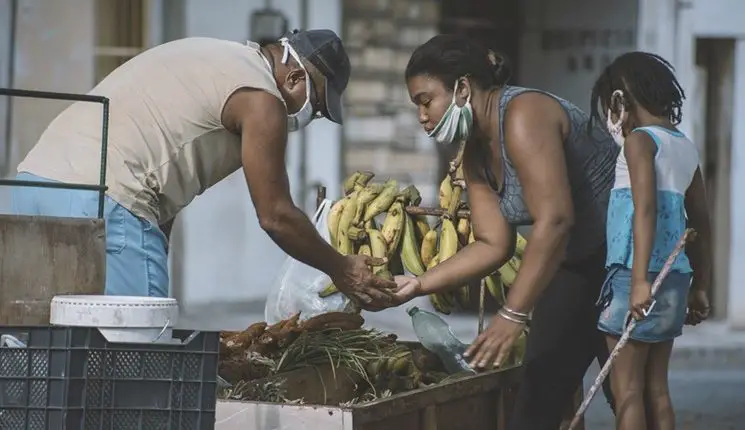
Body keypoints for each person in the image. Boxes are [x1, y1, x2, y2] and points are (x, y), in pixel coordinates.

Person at [11, 29, 397, 309]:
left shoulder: (218, 56)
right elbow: (276, 215)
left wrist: (154, 249)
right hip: (108, 202)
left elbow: (158, 150)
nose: (309, 118)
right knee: (133, 362)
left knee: (44, 353)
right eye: (316, 106)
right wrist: (341, 268)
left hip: (34, 186)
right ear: (294, 77)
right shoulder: (263, 100)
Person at [391, 34, 619, 429]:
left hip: (622, 259)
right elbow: (493, 244)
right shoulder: (475, 151)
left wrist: (512, 313)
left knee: (627, 396)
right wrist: (417, 284)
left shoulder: (524, 112)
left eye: (426, 101)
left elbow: (556, 219)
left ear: (462, 87)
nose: (422, 116)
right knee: (537, 399)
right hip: (576, 262)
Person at [590, 51, 712, 430]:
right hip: (675, 277)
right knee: (657, 389)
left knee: (627, 392)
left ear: (619, 101)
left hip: (634, 276)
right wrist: (701, 287)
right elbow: (702, 222)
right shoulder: (684, 145)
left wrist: (640, 279)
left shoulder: (639, 142)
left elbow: (644, 208)